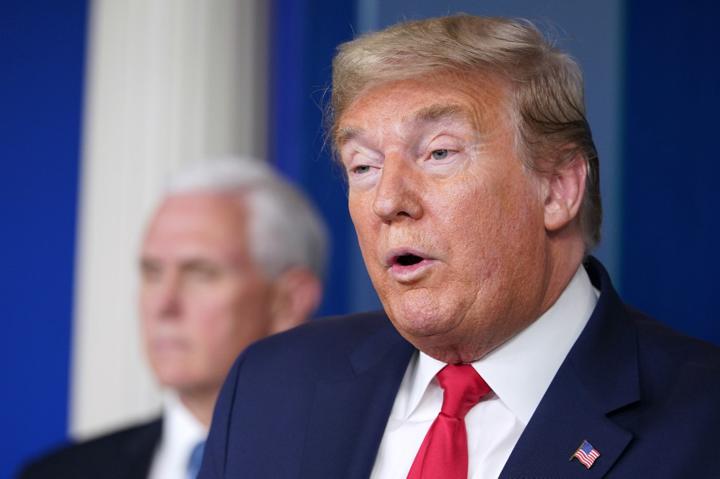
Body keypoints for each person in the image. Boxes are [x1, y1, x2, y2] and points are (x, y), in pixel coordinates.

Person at [199, 15, 720, 479]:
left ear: (558, 188)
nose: (388, 201)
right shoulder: (270, 388)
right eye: (364, 166)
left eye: (439, 152)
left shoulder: (702, 421)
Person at [20, 157, 328, 479]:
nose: (163, 304)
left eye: (200, 273)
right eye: (151, 272)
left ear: (289, 301)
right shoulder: (57, 474)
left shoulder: (356, 463)